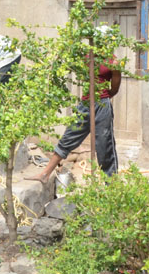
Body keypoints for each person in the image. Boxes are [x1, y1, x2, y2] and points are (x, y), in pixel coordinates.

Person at [28, 52, 121, 182]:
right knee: (68, 137)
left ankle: (112, 186)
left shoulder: (113, 63)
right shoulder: (85, 57)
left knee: (105, 146)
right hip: (85, 104)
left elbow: (115, 88)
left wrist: (103, 97)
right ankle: (45, 174)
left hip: (102, 105)